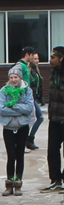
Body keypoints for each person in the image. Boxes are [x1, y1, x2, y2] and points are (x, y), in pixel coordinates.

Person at [0, 65, 34, 196]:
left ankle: (18, 183)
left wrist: (13, 106)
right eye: (11, 77)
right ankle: (9, 184)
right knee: (11, 155)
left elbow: (29, 108)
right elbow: (2, 109)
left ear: (20, 78)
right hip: (8, 127)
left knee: (20, 155)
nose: (13, 80)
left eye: (16, 77)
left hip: (22, 127)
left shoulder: (27, 90)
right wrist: (20, 110)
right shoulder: (3, 91)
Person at [40, 46, 64, 193]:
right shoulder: (53, 73)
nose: (50, 60)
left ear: (61, 58)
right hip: (54, 118)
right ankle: (56, 180)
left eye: (53, 57)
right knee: (53, 150)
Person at [25, 52, 45, 150]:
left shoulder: (36, 71)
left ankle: (30, 138)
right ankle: (27, 139)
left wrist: (40, 97)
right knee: (36, 118)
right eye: (35, 58)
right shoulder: (28, 70)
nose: (37, 60)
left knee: (39, 118)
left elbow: (38, 86)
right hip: (30, 99)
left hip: (34, 98)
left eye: (38, 58)